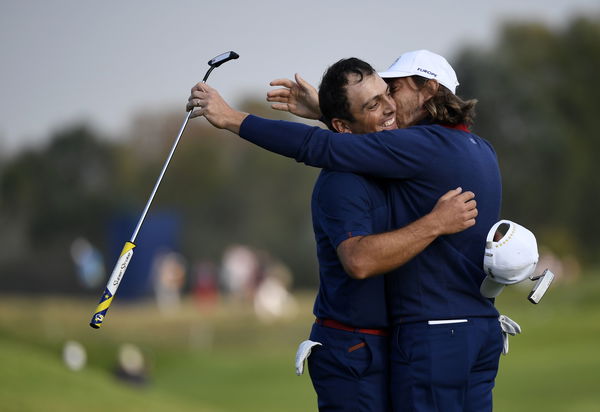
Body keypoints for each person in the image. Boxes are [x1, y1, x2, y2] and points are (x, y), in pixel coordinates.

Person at [186, 50, 503, 412]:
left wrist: (231, 119)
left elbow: (327, 145)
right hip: (458, 333)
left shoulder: (421, 148)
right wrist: (328, 111)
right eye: (378, 98)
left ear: (428, 89)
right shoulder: (480, 149)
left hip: (433, 334)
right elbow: (360, 144)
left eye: (393, 90)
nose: (390, 105)